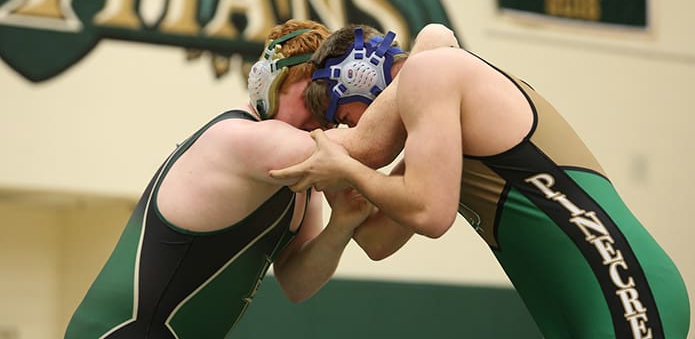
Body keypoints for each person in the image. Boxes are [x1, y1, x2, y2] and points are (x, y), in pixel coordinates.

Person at [269, 23, 691, 339]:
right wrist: (346, 205)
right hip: (591, 304)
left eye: (344, 120)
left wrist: (345, 167)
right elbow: (379, 241)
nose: (347, 134)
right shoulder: (436, 123)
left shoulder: (431, 73)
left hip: (623, 285)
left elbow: (431, 215)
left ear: (359, 79)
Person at [63, 19, 411, 339]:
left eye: (333, 105)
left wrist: (340, 228)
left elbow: (296, 284)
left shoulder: (305, 170)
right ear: (270, 85)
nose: (326, 117)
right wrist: (421, 75)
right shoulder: (238, 137)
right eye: (313, 99)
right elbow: (370, 147)